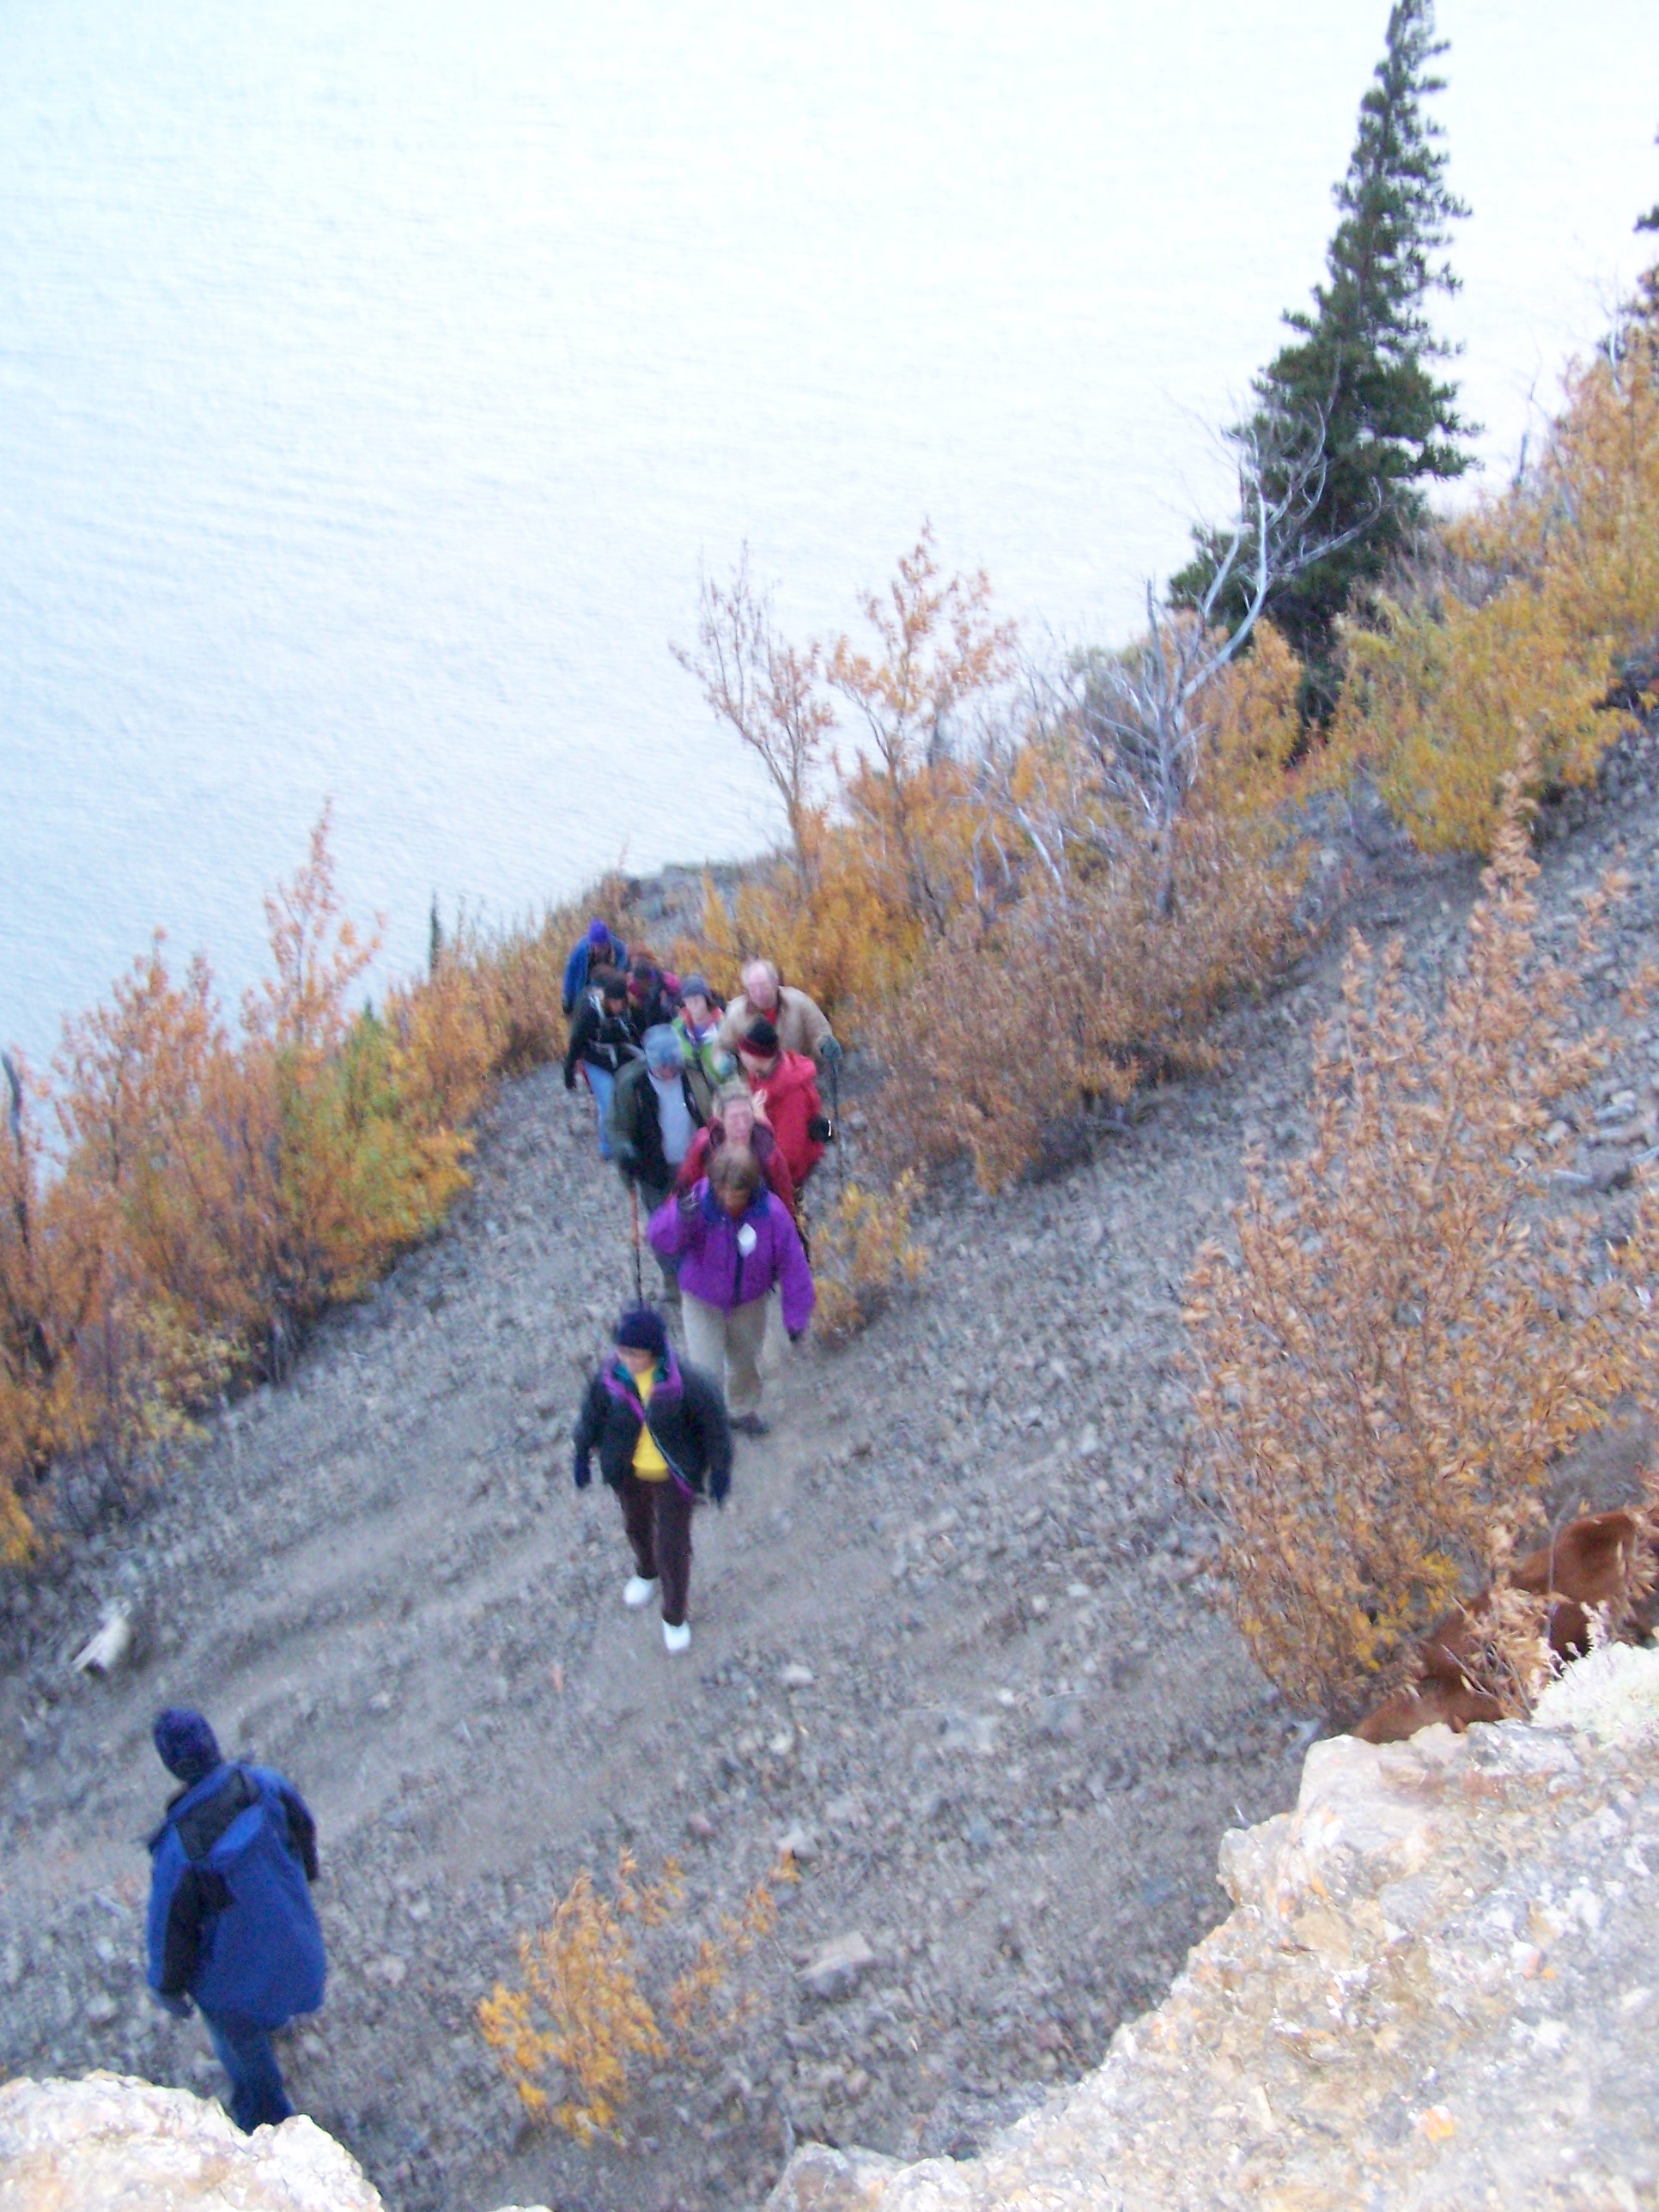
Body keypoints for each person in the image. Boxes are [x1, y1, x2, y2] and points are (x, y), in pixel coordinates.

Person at [144, 1708, 325, 2134]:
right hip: (299, 1953)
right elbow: (304, 1835)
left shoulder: (180, 1852)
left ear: (173, 1766)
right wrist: (304, 1878)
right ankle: (279, 2019)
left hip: (238, 1992)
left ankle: (265, 2120)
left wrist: (168, 1991)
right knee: (269, 1986)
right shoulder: (265, 1785)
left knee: (239, 2038)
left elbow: (170, 1937)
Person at [572, 1306, 732, 1653]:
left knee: (673, 1546)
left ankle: (674, 1615)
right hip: (629, 1472)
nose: (626, 1359)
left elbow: (716, 1427)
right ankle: (646, 1571)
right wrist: (582, 1453)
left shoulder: (687, 1383)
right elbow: (590, 1417)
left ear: (653, 1352)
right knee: (637, 1526)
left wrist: (720, 1471)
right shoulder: (609, 1379)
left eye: (635, 1353)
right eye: (622, 1351)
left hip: (673, 1476)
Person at [649, 1149, 815, 1438]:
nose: (728, 1200)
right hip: (701, 1300)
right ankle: (708, 1423)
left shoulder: (772, 1214)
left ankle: (741, 1409)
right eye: (722, 1191)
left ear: (750, 1189)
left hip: (750, 1302)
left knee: (744, 1362)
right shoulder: (695, 1203)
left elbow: (793, 1265)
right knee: (704, 1368)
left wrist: (796, 1317)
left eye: (735, 1194)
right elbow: (660, 1239)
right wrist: (680, 1219)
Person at [609, 1026, 707, 1288]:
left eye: (673, 1066)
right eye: (662, 1068)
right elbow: (618, 1128)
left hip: (696, 1166)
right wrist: (625, 1152)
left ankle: (702, 1276)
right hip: (655, 1170)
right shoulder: (632, 1085)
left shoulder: (693, 1074)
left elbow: (710, 1110)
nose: (668, 1072)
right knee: (664, 1227)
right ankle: (674, 1281)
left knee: (702, 1220)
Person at [735, 1018, 830, 1193]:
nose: (740, 1056)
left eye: (743, 1052)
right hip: (767, 1163)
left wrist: (760, 1123)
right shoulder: (759, 1075)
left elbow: (788, 1157)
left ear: (757, 1056)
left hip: (792, 1178)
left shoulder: (792, 1095)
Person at [674, 1080, 795, 1214]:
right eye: (734, 1119)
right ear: (721, 1119)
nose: (742, 1126)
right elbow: (682, 1190)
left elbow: (785, 1199)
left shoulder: (768, 1150)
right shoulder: (705, 1145)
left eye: (746, 1117)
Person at [562, 967, 641, 1158]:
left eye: (620, 1001)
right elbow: (576, 1042)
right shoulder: (590, 1012)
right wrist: (569, 1071)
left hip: (620, 1057)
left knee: (629, 1096)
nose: (617, 1006)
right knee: (608, 1100)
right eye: (614, 1001)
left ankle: (632, 1137)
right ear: (607, 999)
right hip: (596, 1061)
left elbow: (637, 1034)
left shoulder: (630, 1010)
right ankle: (608, 1146)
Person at [716, 959, 843, 1077]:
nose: (759, 993)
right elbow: (721, 1047)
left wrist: (824, 1045)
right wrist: (724, 1061)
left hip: (796, 1079)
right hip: (758, 1087)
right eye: (753, 989)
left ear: (774, 982)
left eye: (764, 986)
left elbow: (818, 1031)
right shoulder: (735, 1014)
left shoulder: (798, 1002)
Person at [672, 975, 732, 1119]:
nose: (693, 1002)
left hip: (726, 1094)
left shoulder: (725, 1026)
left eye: (697, 997)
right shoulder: (676, 1028)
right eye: (688, 998)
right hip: (695, 1098)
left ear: (706, 998)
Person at [562, 919, 628, 1018]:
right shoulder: (580, 951)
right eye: (597, 946)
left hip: (609, 994)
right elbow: (570, 975)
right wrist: (567, 999)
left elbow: (623, 968)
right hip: (584, 993)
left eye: (603, 947)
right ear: (592, 944)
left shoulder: (619, 949)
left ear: (608, 942)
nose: (599, 950)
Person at [627, 953, 680, 1034]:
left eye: (640, 983)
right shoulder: (636, 987)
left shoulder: (667, 986)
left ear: (646, 980)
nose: (639, 986)